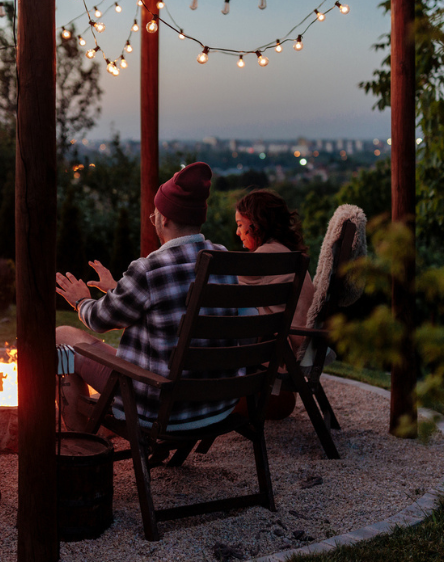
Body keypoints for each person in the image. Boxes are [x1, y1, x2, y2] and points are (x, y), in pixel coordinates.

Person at [55, 162, 239, 433]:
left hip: (159, 407)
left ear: (163, 218)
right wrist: (117, 289)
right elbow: (172, 305)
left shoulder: (150, 269)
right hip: (216, 406)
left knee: (61, 338)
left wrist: (81, 301)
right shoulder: (221, 257)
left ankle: (81, 445)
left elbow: (99, 320)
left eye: (154, 214)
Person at [234, 189, 316, 419]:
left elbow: (223, 288)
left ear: (255, 224)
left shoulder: (266, 258)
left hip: (284, 351)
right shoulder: (289, 255)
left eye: (241, 224)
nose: (237, 231)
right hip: (303, 346)